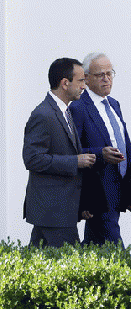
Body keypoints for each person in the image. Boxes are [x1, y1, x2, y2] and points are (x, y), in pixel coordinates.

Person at [69, 53, 131, 246]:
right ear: (86, 78)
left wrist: (130, 190)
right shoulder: (78, 107)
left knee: (97, 245)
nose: (106, 78)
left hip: (117, 185)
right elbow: (72, 152)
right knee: (113, 246)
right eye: (100, 74)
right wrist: (100, 155)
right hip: (97, 188)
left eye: (109, 73)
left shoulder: (114, 105)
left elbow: (124, 148)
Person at [23, 58, 96, 247]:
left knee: (39, 268)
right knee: (71, 270)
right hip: (53, 212)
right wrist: (74, 162)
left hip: (59, 211)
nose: (84, 86)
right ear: (65, 83)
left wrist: (80, 205)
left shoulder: (64, 111)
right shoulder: (43, 114)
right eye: (80, 81)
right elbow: (32, 159)